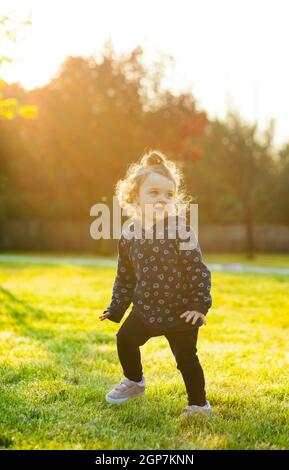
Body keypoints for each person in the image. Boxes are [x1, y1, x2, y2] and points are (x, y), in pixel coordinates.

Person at [99, 149, 213, 417]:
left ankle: (199, 405)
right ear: (134, 196)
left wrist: (199, 305)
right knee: (125, 339)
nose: (162, 199)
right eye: (154, 193)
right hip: (146, 308)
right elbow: (125, 276)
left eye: (169, 195)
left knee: (186, 360)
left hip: (180, 310)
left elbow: (198, 269)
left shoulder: (180, 230)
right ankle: (134, 381)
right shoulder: (129, 234)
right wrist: (116, 308)